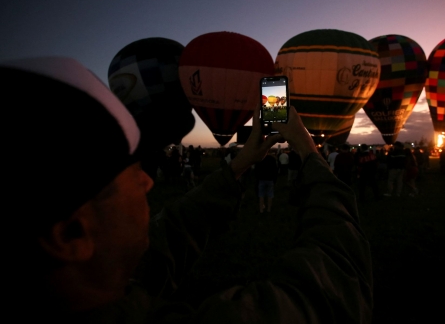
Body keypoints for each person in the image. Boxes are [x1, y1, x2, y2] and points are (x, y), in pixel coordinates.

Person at [6, 57, 373, 323]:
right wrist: (308, 151)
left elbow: (169, 238)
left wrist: (239, 164)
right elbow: (333, 285)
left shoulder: (85, 279)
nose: (148, 180)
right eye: (131, 171)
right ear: (69, 233)